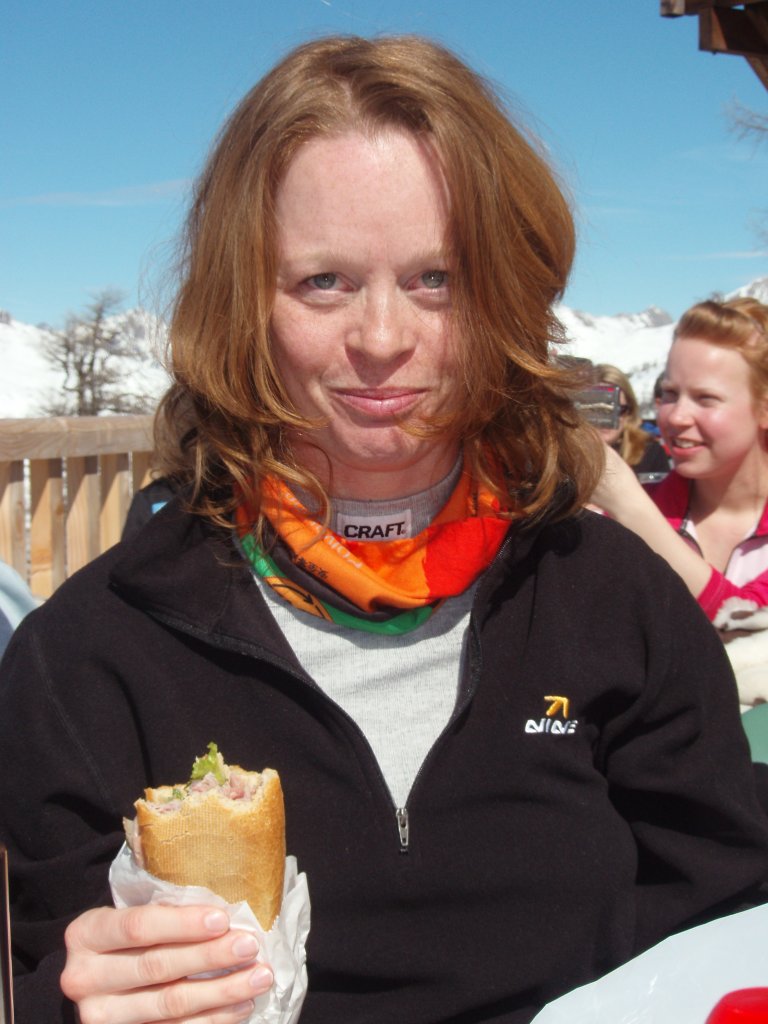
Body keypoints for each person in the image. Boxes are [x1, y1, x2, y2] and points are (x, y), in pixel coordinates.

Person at [1, 36, 767, 1024]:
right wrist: (80, 1006)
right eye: (323, 281)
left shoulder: (615, 601)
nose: (381, 338)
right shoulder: (89, 656)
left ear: (505, 297)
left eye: (436, 278)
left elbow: (724, 912)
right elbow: (50, 963)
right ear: (243, 304)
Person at [593, 297, 768, 622]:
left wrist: (630, 507)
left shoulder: (634, 510)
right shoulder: (630, 513)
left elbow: (746, 624)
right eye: (670, 394)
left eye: (706, 398)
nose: (676, 416)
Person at [593, 363, 669, 478]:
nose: (605, 419)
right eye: (597, 409)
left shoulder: (650, 453)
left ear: (629, 412)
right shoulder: (568, 456)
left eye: (616, 410)